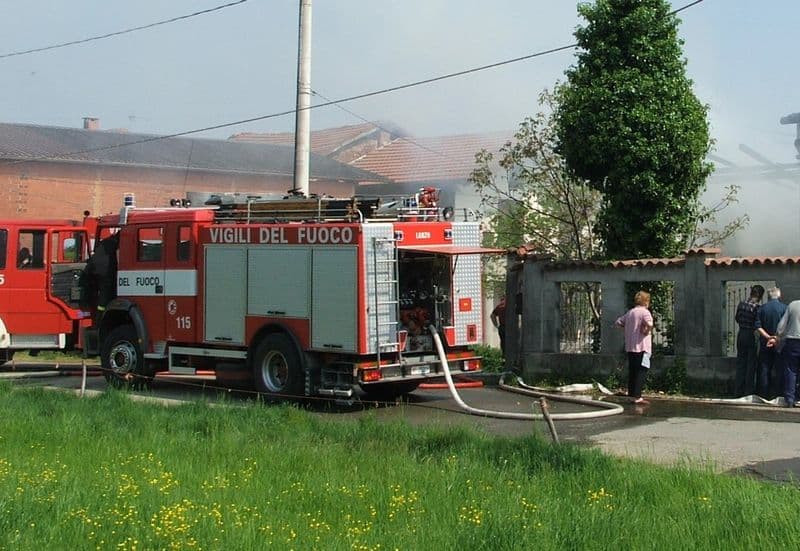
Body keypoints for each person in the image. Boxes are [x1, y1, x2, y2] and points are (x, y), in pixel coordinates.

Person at [615, 290, 654, 405]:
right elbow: (650, 324)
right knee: (641, 371)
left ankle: (631, 395)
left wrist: (627, 330)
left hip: (630, 347)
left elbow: (618, 322)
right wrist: (646, 331)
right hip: (643, 347)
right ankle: (637, 396)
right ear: (646, 302)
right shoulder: (645, 312)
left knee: (632, 371)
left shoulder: (630, 312)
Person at [755, 287, 787, 398]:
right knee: (779, 369)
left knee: (764, 368)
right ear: (779, 295)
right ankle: (778, 393)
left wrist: (769, 337)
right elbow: (785, 327)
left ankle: (763, 394)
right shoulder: (784, 308)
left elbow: (758, 326)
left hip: (765, 343)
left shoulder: (762, 309)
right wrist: (776, 338)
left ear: (768, 296)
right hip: (780, 343)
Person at [767, 300, 800, 407]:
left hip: (793, 341)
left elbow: (781, 326)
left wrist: (777, 337)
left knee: (791, 370)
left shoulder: (793, 305)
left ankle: (790, 399)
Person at [734, 284, 764, 396]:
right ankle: (748, 391)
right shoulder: (757, 308)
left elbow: (737, 318)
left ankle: (738, 390)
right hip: (751, 334)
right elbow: (757, 324)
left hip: (741, 333)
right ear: (760, 296)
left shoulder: (741, 304)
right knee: (751, 363)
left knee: (741, 362)